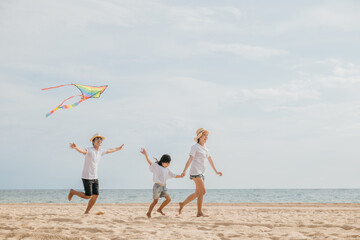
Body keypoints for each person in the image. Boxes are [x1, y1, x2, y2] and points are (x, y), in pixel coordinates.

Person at [67, 133, 124, 214]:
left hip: (95, 177)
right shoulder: (89, 150)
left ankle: (87, 211)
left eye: (100, 139)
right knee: (88, 196)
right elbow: (82, 151)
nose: (99, 140)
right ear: (93, 141)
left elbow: (110, 150)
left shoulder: (101, 151)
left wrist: (118, 148)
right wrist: (76, 147)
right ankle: (73, 192)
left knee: (95, 195)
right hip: (86, 176)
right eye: (97, 139)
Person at [178, 128, 222, 217]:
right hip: (195, 171)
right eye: (204, 135)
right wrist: (184, 171)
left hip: (202, 172)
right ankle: (199, 212)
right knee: (203, 191)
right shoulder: (195, 147)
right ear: (199, 136)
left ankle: (182, 204)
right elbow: (190, 159)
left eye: (207, 135)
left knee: (198, 193)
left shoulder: (206, 148)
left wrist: (216, 171)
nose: (206, 137)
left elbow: (210, 160)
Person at [140, 148, 183, 218]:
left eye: (169, 163)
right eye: (168, 163)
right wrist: (145, 154)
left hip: (163, 187)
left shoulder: (167, 169)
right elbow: (149, 162)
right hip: (157, 186)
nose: (168, 164)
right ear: (163, 161)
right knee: (155, 201)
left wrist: (180, 176)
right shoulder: (156, 166)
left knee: (168, 199)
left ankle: (159, 209)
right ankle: (148, 213)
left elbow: (173, 175)